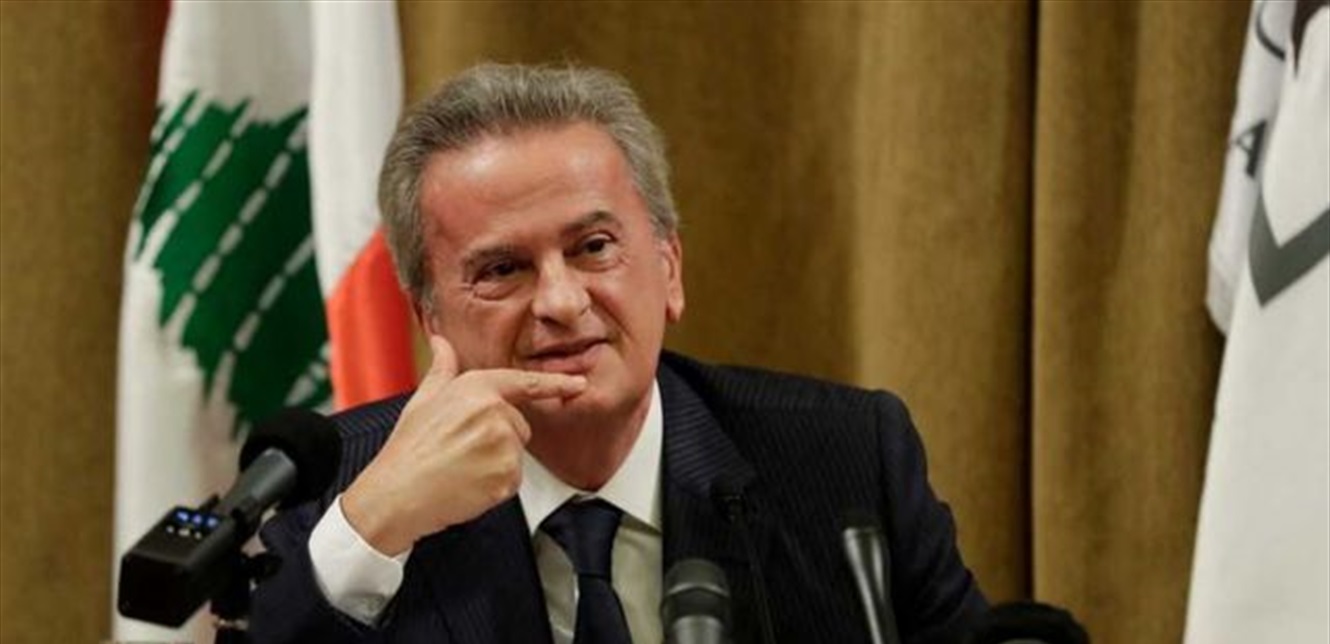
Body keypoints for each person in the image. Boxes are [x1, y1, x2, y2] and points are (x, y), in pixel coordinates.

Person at [250, 63, 985, 644]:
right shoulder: (336, 488)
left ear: (669, 269)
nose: (561, 301)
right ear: (429, 317)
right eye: (503, 269)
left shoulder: (842, 458)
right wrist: (376, 526)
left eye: (594, 247)